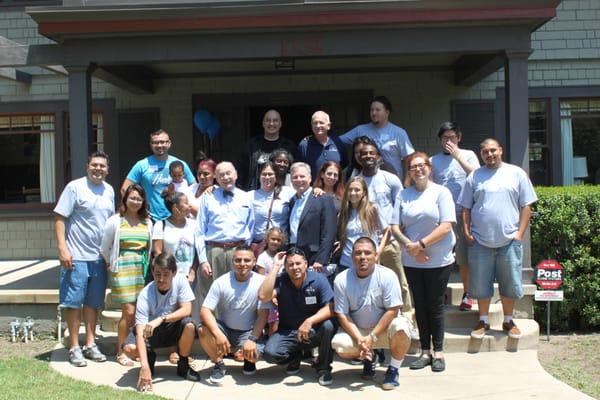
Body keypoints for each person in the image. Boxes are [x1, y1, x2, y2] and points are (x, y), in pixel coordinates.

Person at [458, 138, 537, 340]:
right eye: (485, 152)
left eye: (493, 150)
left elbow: (526, 206)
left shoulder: (516, 173)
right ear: (481, 154)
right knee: (480, 283)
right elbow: (465, 208)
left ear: (500, 150)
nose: (490, 154)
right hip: (480, 241)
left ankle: (508, 320)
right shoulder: (474, 176)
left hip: (509, 241)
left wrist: (519, 235)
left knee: (509, 282)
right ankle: (483, 321)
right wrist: (467, 232)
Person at [391, 152, 456, 372]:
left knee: (435, 305)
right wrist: (411, 248)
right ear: (409, 171)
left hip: (439, 259)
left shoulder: (441, 192)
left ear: (429, 168)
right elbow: (394, 227)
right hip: (412, 260)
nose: (418, 169)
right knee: (419, 305)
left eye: (422, 165)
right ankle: (424, 351)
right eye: (413, 166)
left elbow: (446, 225)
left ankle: (439, 352)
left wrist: (420, 245)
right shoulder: (403, 194)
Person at [54, 151, 115, 367]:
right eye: (94, 165)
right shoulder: (74, 187)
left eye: (102, 166)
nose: (98, 169)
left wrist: (109, 254)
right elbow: (60, 218)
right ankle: (74, 347)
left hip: (98, 257)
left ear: (108, 169)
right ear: (87, 166)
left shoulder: (109, 190)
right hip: (76, 256)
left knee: (93, 303)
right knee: (74, 303)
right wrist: (63, 248)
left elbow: (110, 224)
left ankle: (90, 344)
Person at [331, 237, 412, 390]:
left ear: (376, 256)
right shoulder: (341, 280)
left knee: (402, 328)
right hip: (359, 331)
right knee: (340, 345)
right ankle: (370, 357)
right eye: (358, 253)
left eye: (368, 253)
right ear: (352, 256)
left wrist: (372, 337)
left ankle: (393, 370)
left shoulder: (388, 276)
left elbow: (393, 310)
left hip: (383, 330)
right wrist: (361, 339)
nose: (363, 257)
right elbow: (343, 315)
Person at [259, 247, 336, 386]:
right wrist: (276, 267)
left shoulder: (319, 280)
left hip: (313, 331)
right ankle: (295, 357)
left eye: (298, 263)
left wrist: (310, 321)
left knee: (328, 326)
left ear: (306, 264)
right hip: (288, 331)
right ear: (286, 267)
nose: (295, 267)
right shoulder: (281, 280)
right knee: (270, 354)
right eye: (290, 264)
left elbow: (331, 308)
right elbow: (263, 296)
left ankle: (323, 368)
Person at [124, 252, 200, 393]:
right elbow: (140, 332)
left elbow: (187, 310)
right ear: (152, 272)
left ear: (174, 273)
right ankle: (149, 359)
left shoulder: (181, 281)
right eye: (157, 274)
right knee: (128, 348)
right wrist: (144, 366)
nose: (161, 279)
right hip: (150, 331)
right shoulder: (145, 294)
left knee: (189, 325)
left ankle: (183, 366)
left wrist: (161, 319)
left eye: (166, 274)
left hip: (171, 326)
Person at [198, 246, 271, 384]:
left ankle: (248, 360)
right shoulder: (221, 282)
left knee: (255, 355)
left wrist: (252, 339)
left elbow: (263, 315)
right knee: (202, 329)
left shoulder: (261, 281)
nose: (242, 263)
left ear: (254, 262)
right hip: (225, 329)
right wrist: (218, 334)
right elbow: (205, 310)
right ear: (232, 262)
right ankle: (219, 364)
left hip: (248, 330)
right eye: (238, 260)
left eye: (246, 260)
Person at [357, 138, 412, 313]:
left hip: (389, 241)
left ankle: (407, 317)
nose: (367, 156)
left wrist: (399, 233)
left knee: (398, 281)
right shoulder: (356, 180)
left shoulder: (390, 179)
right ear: (359, 157)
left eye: (371, 153)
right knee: (371, 284)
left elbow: (401, 207)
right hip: (364, 243)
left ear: (378, 156)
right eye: (364, 153)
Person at [100, 184, 153, 367]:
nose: (135, 202)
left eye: (139, 199)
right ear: (125, 200)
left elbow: (149, 247)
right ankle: (120, 350)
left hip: (141, 269)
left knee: (139, 312)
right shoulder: (116, 220)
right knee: (128, 311)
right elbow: (105, 247)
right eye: (132, 198)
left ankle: (134, 346)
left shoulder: (147, 221)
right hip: (123, 268)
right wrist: (110, 263)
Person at [430, 122, 480, 311]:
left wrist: (457, 155)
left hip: (464, 213)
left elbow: (476, 175)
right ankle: (438, 293)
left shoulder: (468, 155)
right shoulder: (433, 160)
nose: (448, 141)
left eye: (452, 137)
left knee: (464, 257)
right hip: (441, 216)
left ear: (459, 137)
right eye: (445, 138)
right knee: (440, 255)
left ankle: (468, 294)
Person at [195, 162, 254, 300]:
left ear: (236, 175)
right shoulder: (208, 197)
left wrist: (245, 249)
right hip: (214, 251)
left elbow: (250, 226)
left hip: (238, 251)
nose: (225, 177)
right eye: (221, 174)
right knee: (212, 295)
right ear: (216, 177)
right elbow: (199, 230)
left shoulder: (246, 197)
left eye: (228, 173)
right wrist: (203, 260)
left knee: (238, 293)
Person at [121, 129, 195, 221]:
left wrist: (208, 188)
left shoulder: (180, 164)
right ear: (150, 145)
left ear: (169, 143)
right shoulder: (141, 165)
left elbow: (194, 188)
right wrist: (136, 210)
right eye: (155, 143)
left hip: (177, 219)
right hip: (150, 218)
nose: (160, 145)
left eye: (163, 142)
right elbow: (125, 189)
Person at [339, 96, 415, 185]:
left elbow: (409, 158)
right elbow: (338, 142)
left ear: (387, 112)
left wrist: (407, 181)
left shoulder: (398, 133)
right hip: (366, 182)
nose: (374, 113)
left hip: (393, 182)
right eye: (372, 110)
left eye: (378, 110)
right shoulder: (360, 130)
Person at [288, 162, 337, 272]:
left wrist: (321, 259)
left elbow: (329, 232)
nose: (298, 179)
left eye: (302, 176)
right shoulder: (292, 201)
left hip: (314, 258)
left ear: (310, 178)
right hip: (294, 254)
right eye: (295, 177)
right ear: (291, 180)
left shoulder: (323, 199)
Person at [237, 110, 298, 190]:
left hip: (281, 194)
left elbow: (294, 171)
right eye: (268, 120)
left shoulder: (289, 147)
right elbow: (241, 171)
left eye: (275, 120)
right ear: (263, 123)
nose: (271, 123)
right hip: (256, 193)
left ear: (280, 124)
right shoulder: (252, 145)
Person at [337, 177, 382, 272]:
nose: (353, 193)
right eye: (350, 190)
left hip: (368, 262)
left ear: (364, 192)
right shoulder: (343, 213)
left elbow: (387, 231)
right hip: (347, 262)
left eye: (357, 190)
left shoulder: (372, 209)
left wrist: (379, 250)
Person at [250, 162, 295, 254]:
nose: (267, 177)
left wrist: (317, 189)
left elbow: (304, 195)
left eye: (270, 174)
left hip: (280, 245)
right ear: (259, 176)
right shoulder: (250, 196)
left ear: (276, 176)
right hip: (259, 245)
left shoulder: (287, 192)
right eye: (264, 174)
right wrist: (213, 188)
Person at [152, 191, 197, 284]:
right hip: (170, 278)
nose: (190, 206)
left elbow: (198, 251)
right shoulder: (160, 225)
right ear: (175, 207)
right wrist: (168, 273)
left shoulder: (194, 225)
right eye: (186, 203)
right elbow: (157, 252)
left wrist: (193, 272)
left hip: (191, 278)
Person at [298, 110, 347, 181]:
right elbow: (300, 169)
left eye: (321, 123)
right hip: (314, 190)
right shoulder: (304, 144)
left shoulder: (337, 142)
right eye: (315, 123)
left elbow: (344, 165)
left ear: (328, 126)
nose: (318, 126)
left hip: (335, 189)